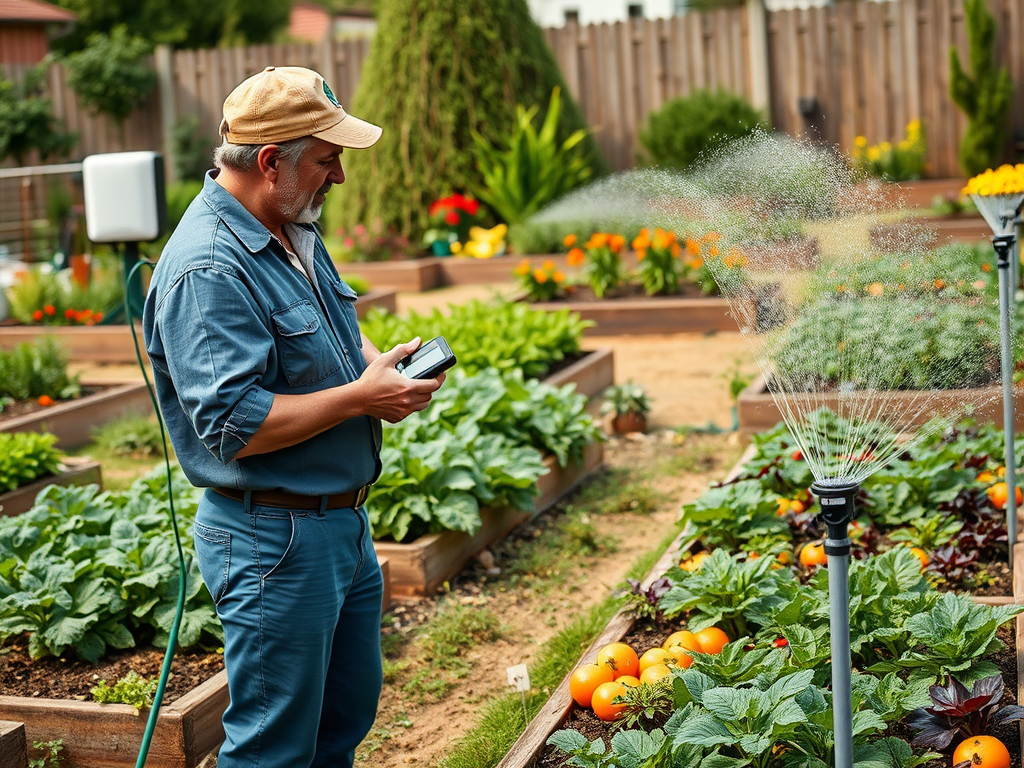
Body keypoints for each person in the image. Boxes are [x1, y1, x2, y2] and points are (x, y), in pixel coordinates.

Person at [142, 66, 445, 768]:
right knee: (273, 749)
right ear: (272, 162)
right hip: (272, 540)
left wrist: (381, 373)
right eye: (327, 159)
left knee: (341, 720)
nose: (337, 177)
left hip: (336, 525)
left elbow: (337, 328)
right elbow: (234, 423)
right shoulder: (208, 268)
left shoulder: (286, 223)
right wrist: (363, 398)